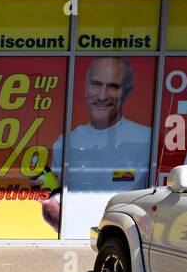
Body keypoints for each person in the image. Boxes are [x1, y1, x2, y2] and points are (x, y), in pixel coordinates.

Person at [42, 56, 151, 234]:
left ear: (127, 92)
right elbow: (54, 195)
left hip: (122, 237)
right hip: (75, 236)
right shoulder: (65, 143)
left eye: (113, 87)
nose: (102, 95)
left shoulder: (147, 140)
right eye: (96, 84)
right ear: (85, 88)